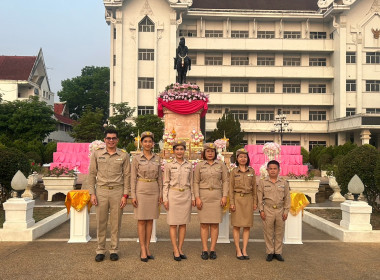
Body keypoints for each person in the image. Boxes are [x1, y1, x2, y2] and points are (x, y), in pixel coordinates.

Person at [88, 128, 130, 262]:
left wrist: (125, 195)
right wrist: (92, 193)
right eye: (108, 138)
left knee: (116, 222)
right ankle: (100, 249)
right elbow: (91, 174)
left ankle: (114, 249)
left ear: (117, 140)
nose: (111, 140)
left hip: (117, 191)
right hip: (101, 191)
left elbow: (127, 176)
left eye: (113, 138)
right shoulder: (97, 154)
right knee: (101, 221)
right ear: (105, 140)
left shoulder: (123, 155)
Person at [131, 131, 162, 262]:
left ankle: (148, 247)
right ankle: (142, 248)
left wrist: (161, 194)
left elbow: (160, 178)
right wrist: (133, 195)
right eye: (145, 141)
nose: (148, 143)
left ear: (153, 143)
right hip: (141, 190)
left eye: (150, 141)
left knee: (150, 220)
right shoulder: (137, 158)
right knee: (141, 220)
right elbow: (133, 178)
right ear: (141, 143)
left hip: (154, 190)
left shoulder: (157, 158)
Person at [194, 143, 229, 260]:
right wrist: (197, 197)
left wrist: (224, 196)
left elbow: (225, 181)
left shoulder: (221, 165)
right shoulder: (199, 165)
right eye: (207, 151)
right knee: (204, 224)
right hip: (203, 196)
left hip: (216, 196)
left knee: (214, 224)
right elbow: (196, 182)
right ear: (204, 153)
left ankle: (212, 249)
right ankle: (204, 249)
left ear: (215, 153)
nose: (210, 153)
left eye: (212, 151)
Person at [163, 140, 195, 261]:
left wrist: (192, 197)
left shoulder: (189, 165)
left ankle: (180, 248)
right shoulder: (169, 165)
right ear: (174, 151)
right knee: (173, 224)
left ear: (184, 151)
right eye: (177, 149)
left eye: (182, 149)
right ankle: (175, 249)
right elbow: (165, 183)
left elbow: (191, 183)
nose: (179, 151)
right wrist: (165, 198)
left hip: (185, 195)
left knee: (183, 224)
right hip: (173, 195)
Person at [257, 160, 290, 262]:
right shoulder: (263, 182)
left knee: (279, 232)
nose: (272, 171)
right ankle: (270, 252)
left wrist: (286, 211)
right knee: (268, 232)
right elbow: (259, 197)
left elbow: (287, 198)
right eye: (270, 168)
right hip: (268, 210)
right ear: (267, 170)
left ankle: (278, 252)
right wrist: (261, 210)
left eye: (275, 169)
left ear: (279, 170)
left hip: (280, 210)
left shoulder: (284, 182)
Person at [229, 148, 257, 260]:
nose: (243, 159)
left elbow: (255, 188)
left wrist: (255, 202)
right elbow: (230, 189)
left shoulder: (252, 171)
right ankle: (237, 249)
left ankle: (244, 249)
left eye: (245, 157)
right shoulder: (233, 172)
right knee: (236, 226)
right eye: (240, 157)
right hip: (237, 200)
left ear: (247, 158)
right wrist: (231, 202)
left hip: (248, 200)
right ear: (237, 158)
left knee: (247, 226)